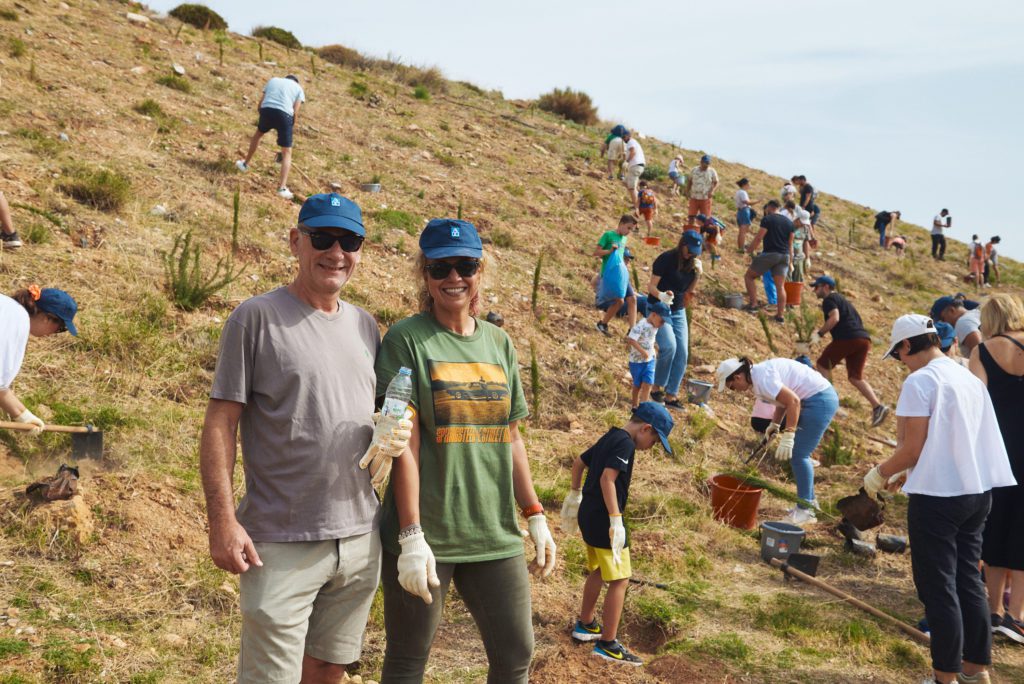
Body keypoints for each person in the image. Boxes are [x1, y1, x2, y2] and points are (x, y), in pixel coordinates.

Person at [199, 193, 408, 683]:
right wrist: (222, 522)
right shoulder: (254, 318)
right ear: (296, 241)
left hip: (359, 537)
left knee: (329, 668)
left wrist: (392, 433)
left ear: (361, 249)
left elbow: (375, 413)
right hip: (280, 541)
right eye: (323, 238)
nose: (336, 252)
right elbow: (219, 424)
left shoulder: (364, 326)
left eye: (350, 240)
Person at [375, 218, 556, 683]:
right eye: (441, 268)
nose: (454, 277)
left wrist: (533, 510)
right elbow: (404, 444)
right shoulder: (406, 340)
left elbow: (511, 435)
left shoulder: (499, 344)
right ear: (425, 274)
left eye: (465, 265)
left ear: (480, 271)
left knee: (516, 654)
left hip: (493, 531)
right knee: (408, 658)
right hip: (429, 532)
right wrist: (411, 536)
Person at [863, 314, 1014, 684]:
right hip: (977, 493)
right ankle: (976, 670)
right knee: (966, 580)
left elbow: (912, 448)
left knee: (938, 586)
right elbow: (952, 441)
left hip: (939, 500)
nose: (901, 362)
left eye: (898, 354)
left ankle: (944, 677)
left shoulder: (921, 381)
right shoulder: (967, 376)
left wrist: (880, 472)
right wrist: (907, 471)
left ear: (907, 345)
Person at [560, 402, 675, 667]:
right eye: (655, 441)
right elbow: (607, 480)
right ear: (646, 428)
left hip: (589, 514)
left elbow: (579, 462)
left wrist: (575, 493)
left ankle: (586, 624)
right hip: (604, 519)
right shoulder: (625, 444)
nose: (652, 447)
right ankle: (608, 644)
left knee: (601, 569)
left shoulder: (611, 435)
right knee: (621, 579)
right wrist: (616, 519)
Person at [717, 355, 838, 525]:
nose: (734, 391)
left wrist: (789, 435)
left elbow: (794, 402)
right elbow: (782, 402)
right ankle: (810, 504)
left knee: (799, 456)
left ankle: (805, 511)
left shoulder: (763, 378)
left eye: (731, 387)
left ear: (737, 377)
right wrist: (775, 423)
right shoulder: (758, 378)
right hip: (816, 398)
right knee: (799, 455)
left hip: (819, 401)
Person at [967, 294, 1024, 644]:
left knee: (996, 524)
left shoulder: (983, 351)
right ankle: (1018, 616)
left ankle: (992, 611)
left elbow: (974, 404)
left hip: (999, 451)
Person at [810, 275, 891, 426]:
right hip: (863, 340)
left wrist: (819, 334)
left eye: (817, 287)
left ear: (826, 287)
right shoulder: (844, 301)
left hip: (848, 338)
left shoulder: (829, 300)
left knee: (822, 365)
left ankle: (827, 402)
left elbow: (834, 318)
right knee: (855, 377)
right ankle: (878, 407)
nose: (815, 291)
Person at [1, 286, 78, 433]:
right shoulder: (18, 321)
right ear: (46, 318)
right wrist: (23, 416)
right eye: (60, 328)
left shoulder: (8, 308)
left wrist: (24, 416)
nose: (55, 333)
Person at [647, 230, 703, 410]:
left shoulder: (692, 266)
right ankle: (657, 387)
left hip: (678, 310)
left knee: (682, 353)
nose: (691, 253)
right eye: (689, 249)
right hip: (659, 307)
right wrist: (661, 296)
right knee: (669, 347)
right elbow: (651, 286)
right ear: (682, 244)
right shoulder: (666, 259)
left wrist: (697, 276)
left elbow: (689, 292)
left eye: (695, 251)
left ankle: (671, 395)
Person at [235, 74, 306, 200]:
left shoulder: (273, 80)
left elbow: (260, 103)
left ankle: (244, 164)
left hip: (266, 109)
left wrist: (264, 117)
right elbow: (295, 111)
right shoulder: (298, 88)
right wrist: (289, 127)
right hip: (285, 115)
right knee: (287, 152)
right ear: (296, 82)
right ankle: (282, 188)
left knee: (258, 135)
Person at [743, 200, 794, 322]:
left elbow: (759, 237)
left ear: (769, 208)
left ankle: (753, 305)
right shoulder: (789, 223)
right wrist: (791, 260)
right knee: (780, 286)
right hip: (784, 255)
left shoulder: (768, 219)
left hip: (771, 254)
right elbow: (790, 243)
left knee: (749, 277)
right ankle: (780, 316)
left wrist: (749, 251)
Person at [593, 215, 638, 334]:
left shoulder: (624, 239)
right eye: (628, 228)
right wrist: (609, 251)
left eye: (631, 230)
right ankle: (602, 324)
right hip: (609, 274)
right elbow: (596, 252)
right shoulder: (608, 235)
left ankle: (632, 330)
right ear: (621, 224)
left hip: (620, 274)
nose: (629, 232)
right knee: (619, 301)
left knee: (632, 299)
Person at [626, 302, 670, 408]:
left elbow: (649, 339)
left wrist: (655, 346)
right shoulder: (641, 325)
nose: (662, 324)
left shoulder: (655, 327)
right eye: (662, 321)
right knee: (638, 385)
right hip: (637, 361)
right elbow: (631, 339)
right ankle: (634, 405)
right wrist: (642, 351)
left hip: (650, 360)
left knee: (648, 383)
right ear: (654, 315)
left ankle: (644, 407)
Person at [682, 155, 719, 225]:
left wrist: (712, 191)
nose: (707, 165)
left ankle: (701, 234)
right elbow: (690, 181)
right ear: (701, 162)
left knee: (705, 218)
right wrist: (687, 191)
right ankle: (690, 231)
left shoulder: (712, 171)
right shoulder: (694, 170)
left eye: (708, 163)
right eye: (705, 163)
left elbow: (716, 182)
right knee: (691, 216)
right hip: (694, 197)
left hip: (705, 198)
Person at [622, 130, 645, 210]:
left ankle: (637, 207)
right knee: (625, 182)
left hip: (635, 166)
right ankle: (639, 200)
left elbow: (633, 152)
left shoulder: (631, 142)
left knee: (631, 187)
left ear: (628, 136)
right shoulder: (633, 142)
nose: (623, 139)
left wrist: (627, 162)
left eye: (624, 137)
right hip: (636, 166)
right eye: (622, 137)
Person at [734, 178, 760, 252]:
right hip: (744, 211)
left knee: (742, 231)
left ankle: (740, 247)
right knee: (743, 232)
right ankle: (741, 248)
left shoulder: (739, 192)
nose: (749, 186)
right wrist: (758, 201)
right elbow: (747, 202)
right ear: (745, 185)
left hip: (740, 212)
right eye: (748, 184)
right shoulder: (743, 192)